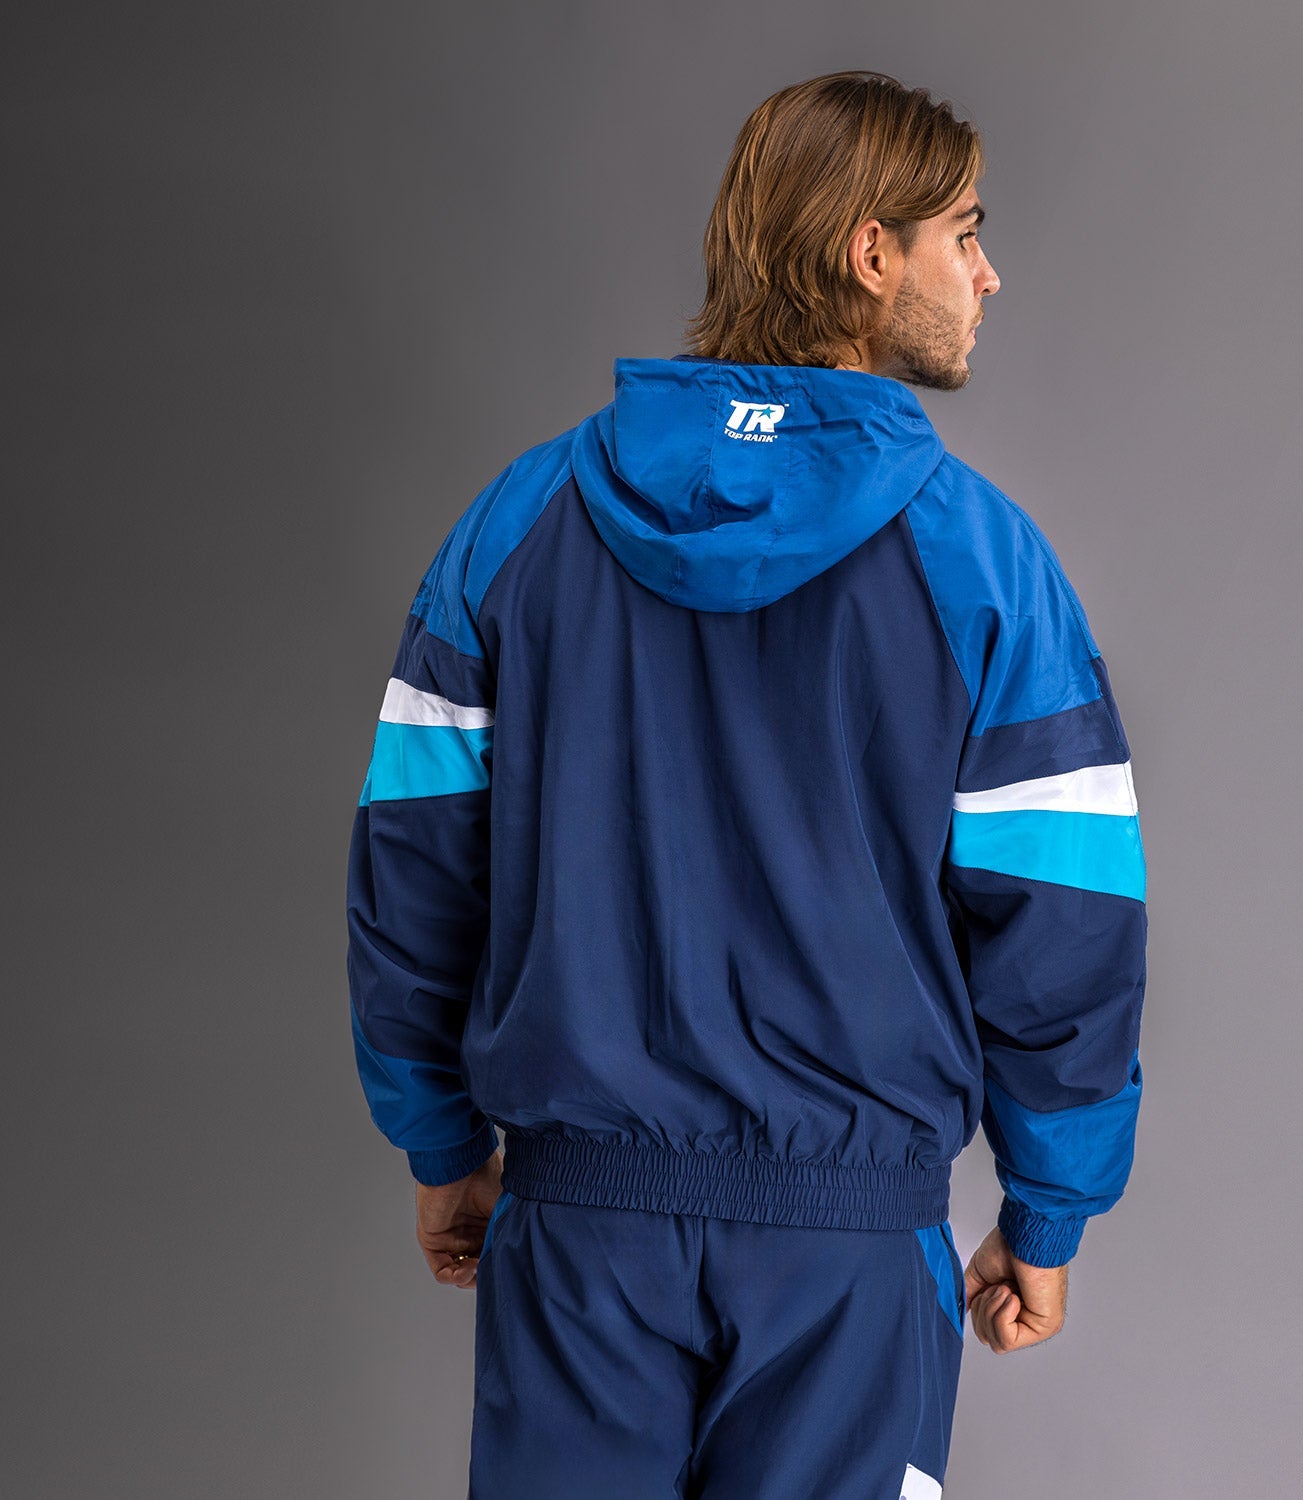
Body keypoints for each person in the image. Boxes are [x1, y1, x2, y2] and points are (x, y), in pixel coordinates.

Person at [346, 69, 1147, 1500]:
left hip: (577, 1244)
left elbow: (414, 863)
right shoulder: (984, 564)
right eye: (965, 233)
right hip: (849, 1263)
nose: (988, 274)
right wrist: (1046, 1211)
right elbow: (1064, 916)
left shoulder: (517, 526)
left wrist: (442, 1144)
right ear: (871, 253)